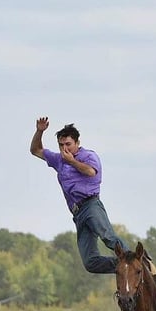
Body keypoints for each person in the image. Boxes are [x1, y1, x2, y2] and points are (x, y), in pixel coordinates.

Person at [30, 117, 127, 274]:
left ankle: (138, 263)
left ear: (77, 143)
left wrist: (73, 162)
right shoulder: (59, 159)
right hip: (78, 214)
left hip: (91, 205)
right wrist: (39, 131)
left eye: (68, 144)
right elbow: (35, 150)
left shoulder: (88, 156)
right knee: (90, 262)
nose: (64, 148)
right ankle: (125, 267)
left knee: (108, 237)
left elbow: (90, 172)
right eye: (61, 145)